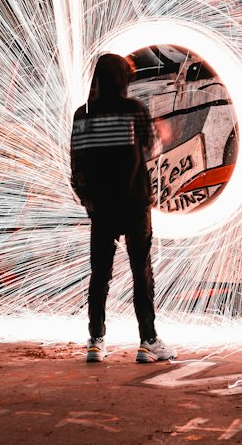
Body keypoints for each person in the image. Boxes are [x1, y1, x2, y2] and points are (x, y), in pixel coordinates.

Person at [70, 53, 175, 363]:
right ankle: (148, 342)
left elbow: (76, 164)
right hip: (134, 203)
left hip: (102, 206)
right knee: (141, 271)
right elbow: (152, 148)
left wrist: (87, 200)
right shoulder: (134, 110)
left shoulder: (83, 114)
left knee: (99, 274)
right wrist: (160, 133)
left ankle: (95, 341)